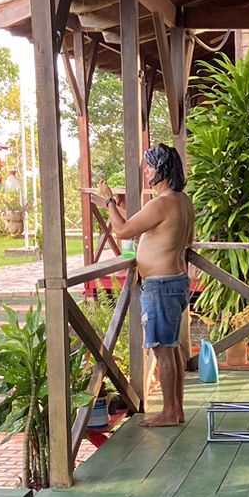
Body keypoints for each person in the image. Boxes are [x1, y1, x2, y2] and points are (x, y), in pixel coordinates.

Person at [105, 143, 195, 426]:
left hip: (161, 285)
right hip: (176, 281)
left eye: (149, 166)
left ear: (163, 170)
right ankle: (175, 409)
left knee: (162, 349)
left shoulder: (162, 202)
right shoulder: (182, 200)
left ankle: (170, 412)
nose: (146, 171)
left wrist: (108, 202)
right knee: (171, 348)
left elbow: (122, 231)